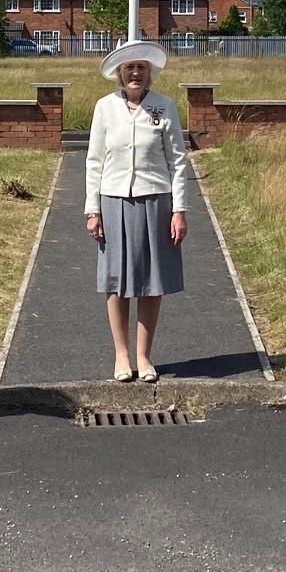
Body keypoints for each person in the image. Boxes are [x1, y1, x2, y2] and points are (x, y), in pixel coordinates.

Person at [84, 40, 189, 382]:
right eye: (129, 67)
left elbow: (177, 160)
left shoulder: (164, 106)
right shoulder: (104, 108)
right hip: (114, 200)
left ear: (150, 72)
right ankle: (121, 356)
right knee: (116, 280)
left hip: (155, 200)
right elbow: (94, 161)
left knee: (150, 281)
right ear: (119, 72)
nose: (135, 73)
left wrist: (179, 209)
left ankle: (144, 356)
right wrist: (92, 209)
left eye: (141, 67)